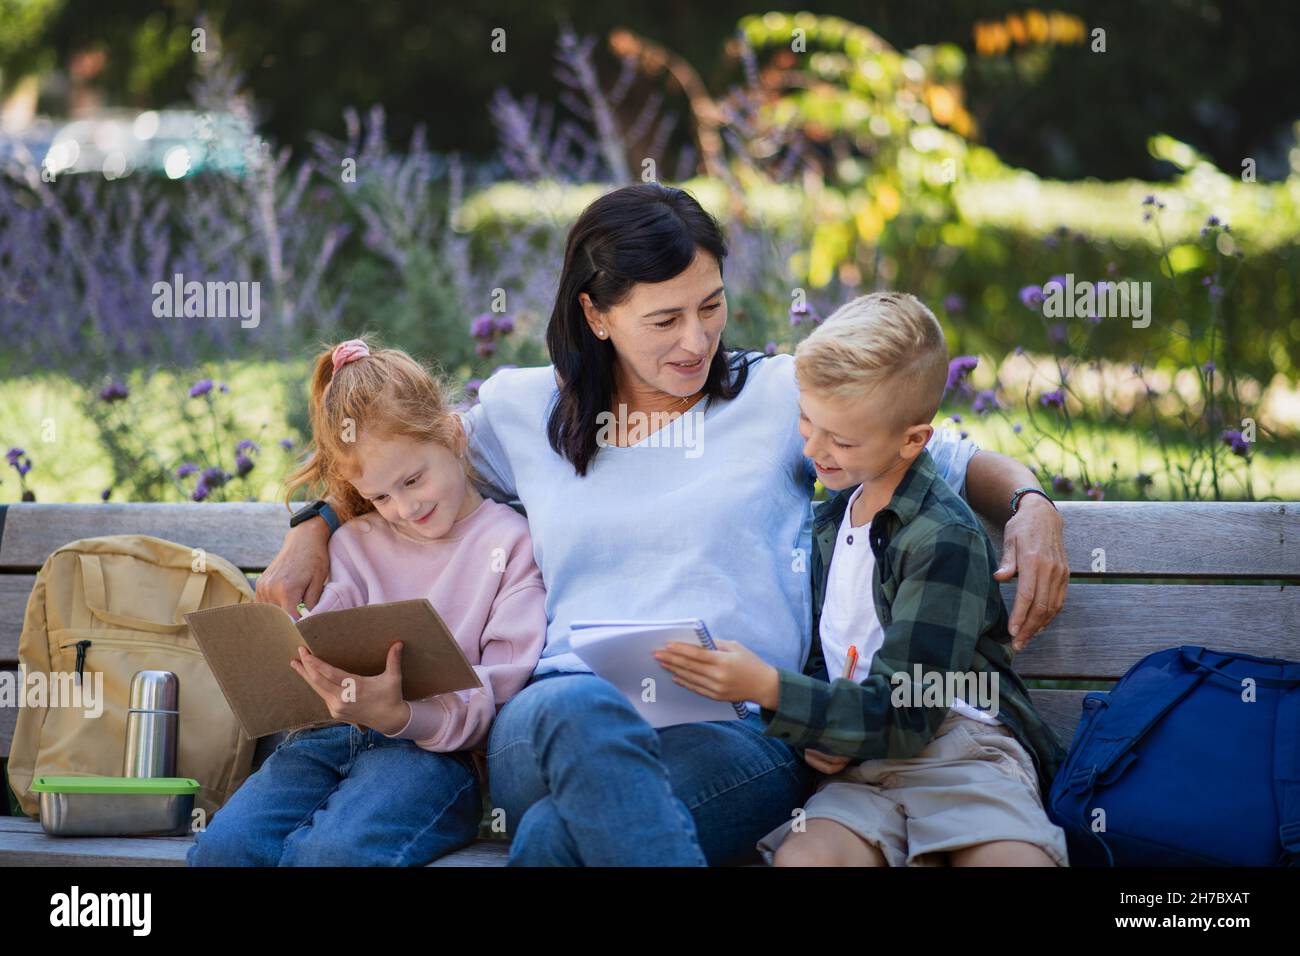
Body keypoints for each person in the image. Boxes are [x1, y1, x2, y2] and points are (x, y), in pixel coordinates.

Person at [255, 183, 1069, 866]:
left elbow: (952, 458)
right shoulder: (520, 408)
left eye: (710, 307)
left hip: (735, 729)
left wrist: (1032, 506)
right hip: (550, 718)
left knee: (552, 841)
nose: (697, 340)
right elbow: (398, 458)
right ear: (598, 315)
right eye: (665, 319)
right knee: (579, 715)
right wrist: (316, 521)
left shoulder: (778, 397)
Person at [656, 292, 1069, 866]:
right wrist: (817, 734)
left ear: (913, 440)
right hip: (861, 767)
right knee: (804, 859)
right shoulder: (832, 521)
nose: (813, 448)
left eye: (841, 440)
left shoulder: (942, 538)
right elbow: (834, 655)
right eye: (806, 419)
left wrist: (768, 689)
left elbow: (910, 710)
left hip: (958, 753)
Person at [188, 338, 546, 866]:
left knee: (330, 856)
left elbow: (497, 690)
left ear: (451, 436)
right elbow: (330, 635)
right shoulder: (354, 541)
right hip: (324, 742)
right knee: (224, 851)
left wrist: (401, 714)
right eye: (380, 496)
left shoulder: (510, 544)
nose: (403, 508)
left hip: (431, 755)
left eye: (413, 479)